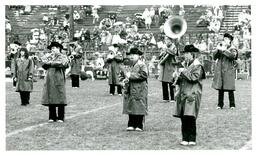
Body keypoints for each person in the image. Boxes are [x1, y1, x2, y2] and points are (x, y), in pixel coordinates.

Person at [173, 45, 206, 146]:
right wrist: (175, 76)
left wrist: (183, 71)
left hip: (192, 93)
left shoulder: (198, 66)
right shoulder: (184, 64)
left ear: (192, 54)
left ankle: (192, 138)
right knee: (183, 116)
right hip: (183, 94)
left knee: (190, 116)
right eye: (184, 53)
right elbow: (180, 80)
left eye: (187, 53)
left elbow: (193, 78)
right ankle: (185, 138)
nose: (185, 55)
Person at [119, 48, 148, 132]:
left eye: (134, 55)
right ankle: (131, 123)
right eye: (130, 55)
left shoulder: (142, 65)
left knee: (139, 106)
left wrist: (131, 75)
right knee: (130, 105)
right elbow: (121, 76)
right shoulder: (127, 65)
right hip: (129, 88)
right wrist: (123, 81)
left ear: (138, 56)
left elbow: (144, 75)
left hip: (140, 89)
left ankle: (139, 124)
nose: (132, 56)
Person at [41, 42, 69, 123]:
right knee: (51, 96)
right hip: (49, 79)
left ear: (58, 48)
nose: (52, 50)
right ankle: (52, 116)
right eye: (52, 48)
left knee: (60, 97)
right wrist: (44, 60)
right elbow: (44, 65)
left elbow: (63, 64)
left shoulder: (63, 56)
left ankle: (61, 117)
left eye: (54, 48)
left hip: (58, 79)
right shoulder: (50, 57)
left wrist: (50, 62)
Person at [212, 33, 238, 110]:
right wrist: (218, 50)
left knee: (230, 88)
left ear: (230, 40)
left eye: (226, 39)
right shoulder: (221, 47)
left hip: (228, 70)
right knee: (220, 88)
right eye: (224, 39)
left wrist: (224, 50)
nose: (225, 40)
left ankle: (232, 104)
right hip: (220, 70)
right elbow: (214, 57)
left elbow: (233, 56)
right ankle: (220, 104)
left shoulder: (233, 48)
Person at [158, 36, 177, 102]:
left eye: (167, 39)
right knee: (164, 82)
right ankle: (165, 98)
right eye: (165, 39)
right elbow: (160, 56)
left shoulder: (173, 46)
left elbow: (173, 53)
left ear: (170, 40)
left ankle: (173, 98)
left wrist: (166, 49)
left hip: (171, 65)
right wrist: (162, 52)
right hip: (164, 66)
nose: (166, 41)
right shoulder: (164, 47)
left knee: (171, 81)